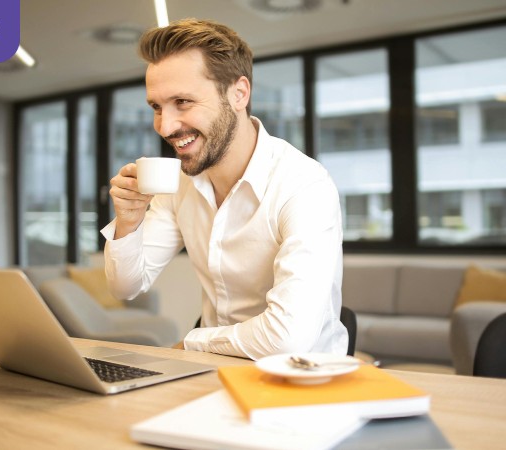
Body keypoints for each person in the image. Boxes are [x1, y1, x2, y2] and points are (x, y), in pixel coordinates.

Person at [101, 18, 347, 360]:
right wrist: (128, 221)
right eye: (157, 107)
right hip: (213, 373)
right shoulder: (181, 185)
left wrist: (192, 341)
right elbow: (125, 286)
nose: (165, 126)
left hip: (299, 380)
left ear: (238, 93)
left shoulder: (304, 185)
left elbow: (287, 339)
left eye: (183, 102)